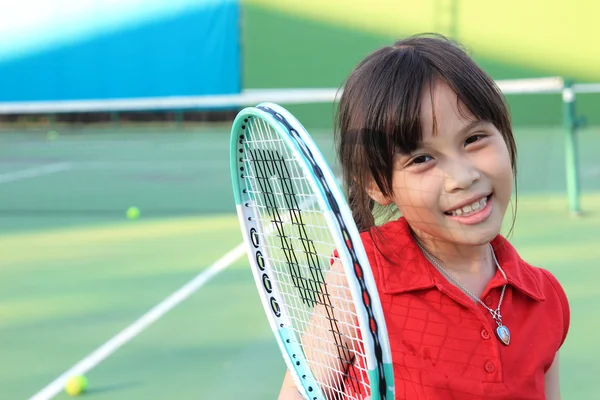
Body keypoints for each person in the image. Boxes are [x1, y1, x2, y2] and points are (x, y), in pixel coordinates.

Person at [278, 33, 570, 400]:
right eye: (421, 159)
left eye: (474, 138)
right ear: (377, 186)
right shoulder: (360, 276)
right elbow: (301, 392)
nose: (463, 177)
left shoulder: (546, 300)